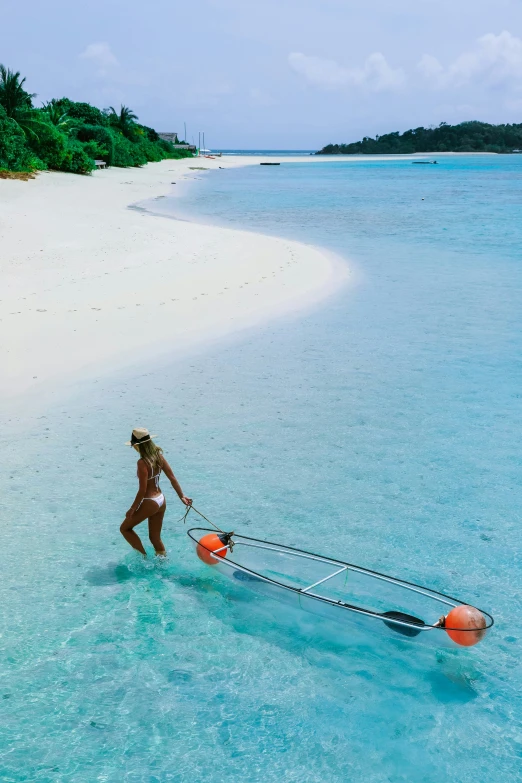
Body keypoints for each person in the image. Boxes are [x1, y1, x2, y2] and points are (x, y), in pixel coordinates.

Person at [120, 428, 192, 556]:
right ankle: (163, 563)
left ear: (137, 445)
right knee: (155, 538)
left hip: (150, 502)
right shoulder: (159, 457)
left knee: (125, 529)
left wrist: (132, 509)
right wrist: (182, 496)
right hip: (161, 500)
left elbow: (142, 490)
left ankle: (143, 558)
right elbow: (172, 478)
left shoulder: (142, 463)